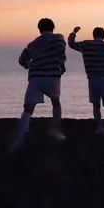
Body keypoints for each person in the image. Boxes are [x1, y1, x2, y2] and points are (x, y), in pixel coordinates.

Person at [9, 18, 67, 152]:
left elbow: (22, 60)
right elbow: (61, 54)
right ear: (53, 27)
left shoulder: (33, 43)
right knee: (55, 102)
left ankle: (21, 135)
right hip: (52, 75)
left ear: (39, 29)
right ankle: (55, 129)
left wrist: (28, 65)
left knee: (28, 108)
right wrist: (61, 66)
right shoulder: (59, 39)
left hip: (36, 77)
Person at [68, 26, 104, 134]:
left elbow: (71, 44)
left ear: (93, 35)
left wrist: (74, 32)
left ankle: (100, 127)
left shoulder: (86, 44)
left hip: (93, 78)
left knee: (96, 105)